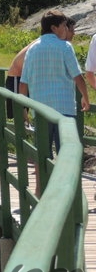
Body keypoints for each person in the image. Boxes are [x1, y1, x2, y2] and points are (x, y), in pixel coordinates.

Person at [21, 10, 89, 163]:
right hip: (64, 108)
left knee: (42, 155)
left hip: (40, 109)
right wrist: (85, 97)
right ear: (54, 28)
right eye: (64, 26)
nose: (66, 29)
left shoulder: (32, 49)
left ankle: (41, 179)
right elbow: (77, 76)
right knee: (65, 154)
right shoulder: (65, 47)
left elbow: (23, 82)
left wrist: (23, 107)